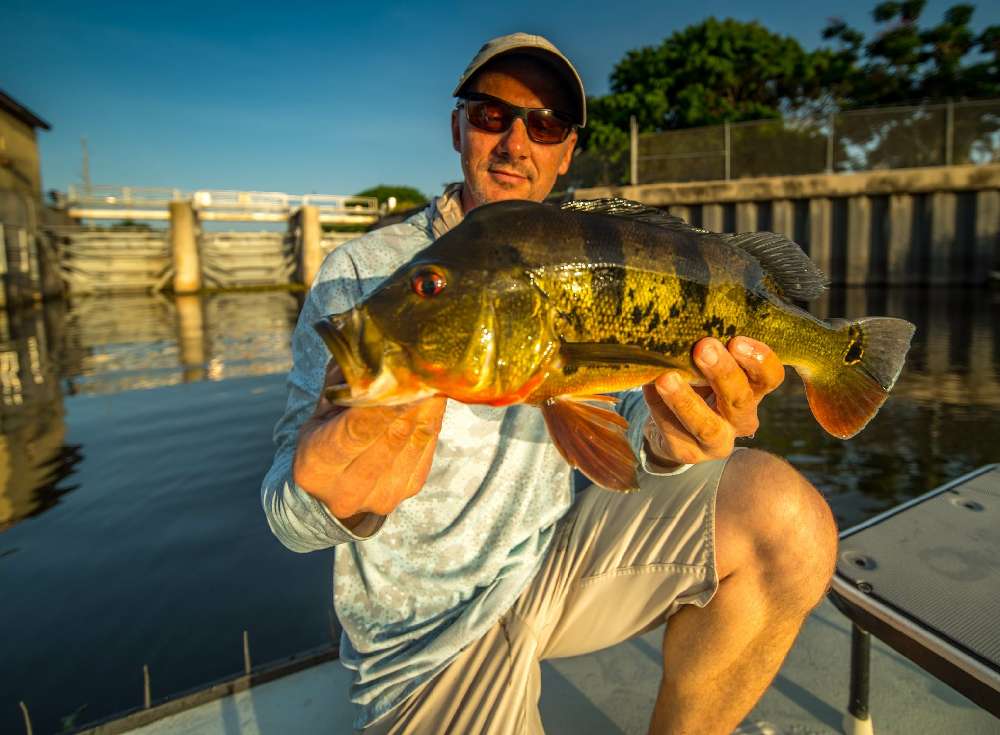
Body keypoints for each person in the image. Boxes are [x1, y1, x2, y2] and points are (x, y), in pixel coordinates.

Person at [262, 32, 838, 734]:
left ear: (567, 152)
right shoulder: (359, 275)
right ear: (457, 128)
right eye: (492, 115)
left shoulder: (583, 251)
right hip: (428, 638)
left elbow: (631, 429)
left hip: (553, 564)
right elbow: (285, 515)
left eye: (545, 125)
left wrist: (673, 434)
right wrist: (331, 500)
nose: (515, 143)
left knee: (789, 523)